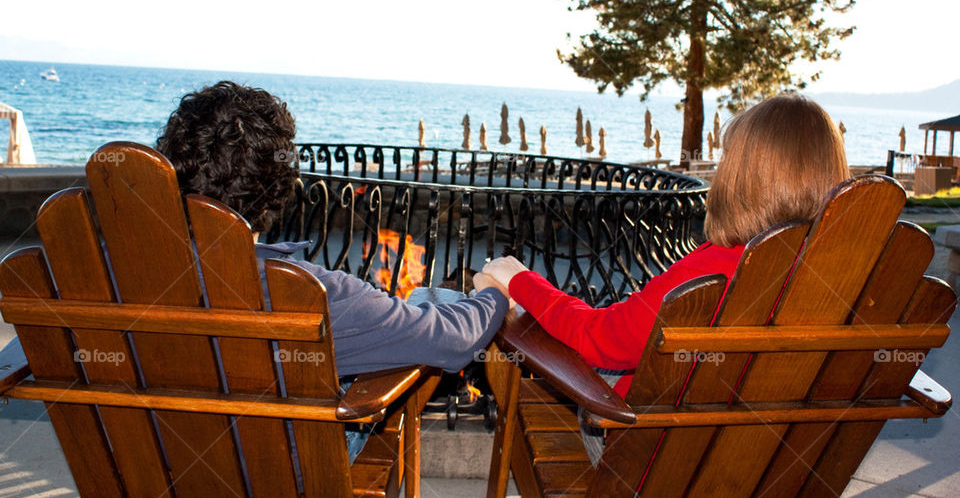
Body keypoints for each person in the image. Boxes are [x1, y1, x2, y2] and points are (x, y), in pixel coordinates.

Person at [479, 93, 850, 464]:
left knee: (554, 374)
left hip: (661, 461)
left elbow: (600, 339)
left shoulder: (716, 271)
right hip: (779, 464)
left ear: (743, 177)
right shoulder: (842, 272)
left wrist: (521, 282)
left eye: (727, 159)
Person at [156, 80, 509, 461]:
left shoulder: (108, 272)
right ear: (278, 187)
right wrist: (494, 293)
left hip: (152, 461)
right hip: (283, 476)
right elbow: (451, 340)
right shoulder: (308, 293)